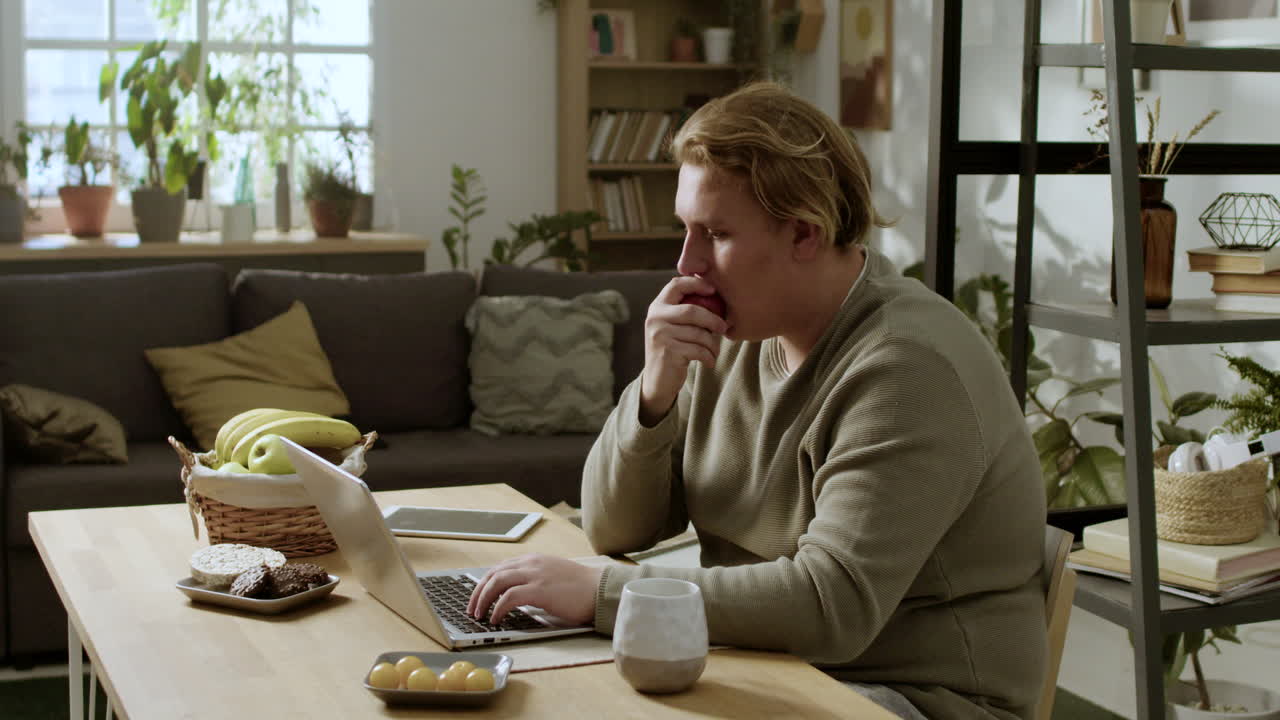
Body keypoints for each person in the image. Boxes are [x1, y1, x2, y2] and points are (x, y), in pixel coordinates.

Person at [468, 81, 1047, 720]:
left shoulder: (907, 368)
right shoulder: (737, 330)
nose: (687, 265)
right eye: (684, 230)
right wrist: (655, 391)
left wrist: (608, 593)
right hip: (761, 664)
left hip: (908, 697)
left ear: (805, 232)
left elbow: (833, 607)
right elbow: (614, 529)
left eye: (714, 233)